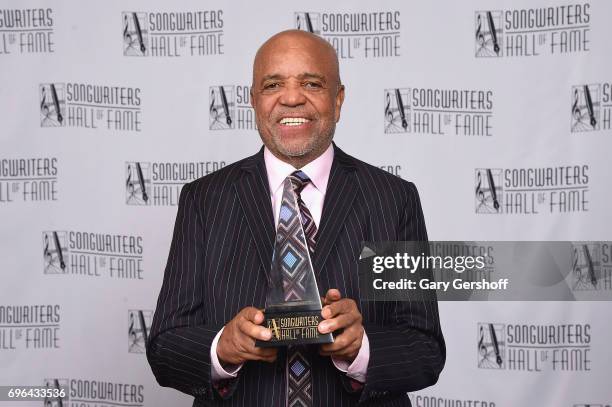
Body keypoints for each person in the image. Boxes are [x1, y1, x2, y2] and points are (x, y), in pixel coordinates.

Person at [146, 29, 445, 407]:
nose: (291, 98)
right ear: (253, 101)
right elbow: (165, 348)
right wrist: (223, 347)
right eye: (273, 85)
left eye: (312, 83)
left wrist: (360, 348)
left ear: (338, 100)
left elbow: (425, 350)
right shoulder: (204, 199)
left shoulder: (393, 198)